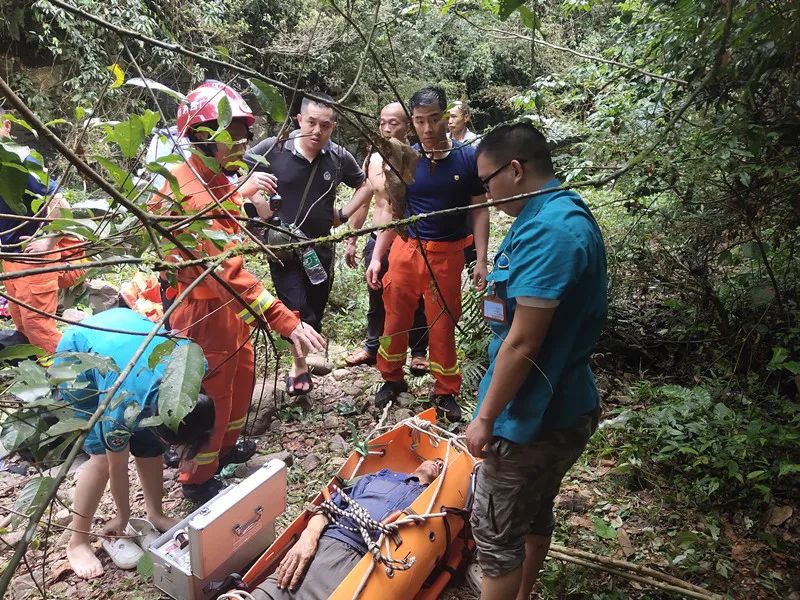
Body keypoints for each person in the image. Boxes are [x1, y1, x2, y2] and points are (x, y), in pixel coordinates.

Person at [153, 80, 325, 503]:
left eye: (244, 134)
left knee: (241, 374)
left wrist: (242, 197)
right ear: (202, 136)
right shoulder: (192, 193)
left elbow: (227, 224)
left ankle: (225, 450)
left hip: (225, 308)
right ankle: (198, 478)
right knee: (214, 392)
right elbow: (226, 271)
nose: (243, 144)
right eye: (234, 136)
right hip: (202, 312)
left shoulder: (209, 177)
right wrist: (286, 321)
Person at [465, 123, 607, 600]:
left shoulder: (551, 231)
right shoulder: (553, 212)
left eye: (487, 182)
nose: (486, 195)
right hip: (561, 405)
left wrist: (486, 418)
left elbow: (524, 342)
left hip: (532, 417)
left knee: (496, 536)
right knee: (533, 510)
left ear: (515, 170)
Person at [59, 308, 216, 579]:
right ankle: (77, 542)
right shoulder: (119, 410)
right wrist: (122, 516)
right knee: (101, 460)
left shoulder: (194, 365)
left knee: (149, 444)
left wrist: (187, 451)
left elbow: (194, 421)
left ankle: (156, 514)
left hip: (125, 327)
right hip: (79, 356)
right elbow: (117, 468)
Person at [366, 86, 489, 423]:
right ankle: (391, 378)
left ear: (447, 117)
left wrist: (480, 259)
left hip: (447, 254)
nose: (428, 128)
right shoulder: (407, 157)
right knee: (395, 318)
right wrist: (377, 256)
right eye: (420, 121)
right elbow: (394, 210)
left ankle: (445, 389)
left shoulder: (467, 158)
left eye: (434, 119)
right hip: (406, 249)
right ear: (412, 123)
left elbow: (479, 210)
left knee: (443, 323)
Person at [245, 92, 373, 395]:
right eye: (311, 123)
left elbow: (366, 185)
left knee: (314, 308)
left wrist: (343, 214)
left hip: (320, 247)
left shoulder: (338, 157)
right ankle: (299, 365)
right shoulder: (274, 148)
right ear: (299, 120)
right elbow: (238, 172)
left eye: (325, 126)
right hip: (283, 249)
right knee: (295, 307)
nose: (317, 131)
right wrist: (258, 202)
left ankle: (304, 356)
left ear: (333, 127)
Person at [251, 459, 444, 599]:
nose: (438, 463)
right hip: (327, 545)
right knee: (262, 595)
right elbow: (329, 508)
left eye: (442, 465)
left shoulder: (431, 502)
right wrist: (308, 536)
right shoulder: (380, 477)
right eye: (435, 459)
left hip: (365, 561)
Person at [343, 102, 429, 373]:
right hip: (376, 236)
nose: (387, 128)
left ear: (408, 126)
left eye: (394, 122)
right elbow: (366, 199)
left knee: (415, 297)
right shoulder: (373, 157)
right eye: (382, 122)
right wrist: (352, 238)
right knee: (376, 294)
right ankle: (372, 347)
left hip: (407, 238)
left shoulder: (415, 159)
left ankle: (418, 351)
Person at [0, 117, 86, 354]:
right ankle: (38, 367)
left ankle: (64, 369)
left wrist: (47, 241)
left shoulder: (19, 161)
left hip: (34, 261)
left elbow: (60, 202)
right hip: (12, 259)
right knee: (22, 325)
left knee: (39, 328)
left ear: (6, 125)